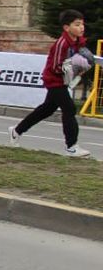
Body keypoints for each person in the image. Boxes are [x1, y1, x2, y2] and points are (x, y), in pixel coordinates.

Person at [9, 9, 92, 158]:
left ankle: (16, 131)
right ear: (67, 28)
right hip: (54, 81)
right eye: (77, 24)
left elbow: (82, 59)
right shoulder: (62, 43)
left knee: (46, 110)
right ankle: (71, 147)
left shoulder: (78, 42)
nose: (82, 27)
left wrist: (85, 65)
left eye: (82, 24)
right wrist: (75, 67)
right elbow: (56, 67)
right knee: (69, 109)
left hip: (64, 81)